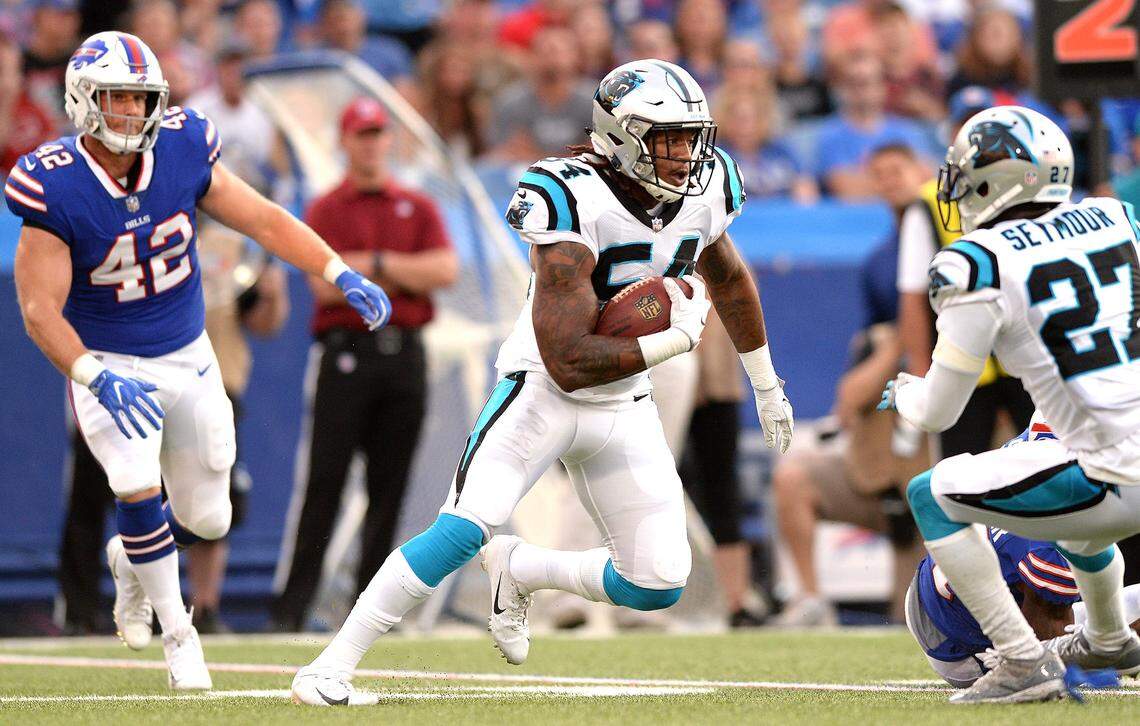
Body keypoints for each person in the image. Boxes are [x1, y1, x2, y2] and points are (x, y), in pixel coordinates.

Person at [290, 59, 795, 706]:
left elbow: (726, 276)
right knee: (463, 527)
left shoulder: (707, 186)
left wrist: (764, 381)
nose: (684, 154)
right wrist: (671, 340)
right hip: (543, 392)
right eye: (666, 137)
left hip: (625, 405)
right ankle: (329, 668)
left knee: (659, 581)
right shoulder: (569, 193)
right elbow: (567, 359)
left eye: (691, 136)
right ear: (620, 135)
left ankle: (522, 567)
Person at [7, 31, 390, 690]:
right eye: (117, 99)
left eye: (140, 98)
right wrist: (92, 374)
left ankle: (133, 561)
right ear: (83, 101)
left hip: (187, 351)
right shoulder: (55, 184)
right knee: (132, 479)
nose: (132, 113)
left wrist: (336, 268)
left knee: (210, 515)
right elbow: (40, 310)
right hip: (108, 358)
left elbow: (265, 221)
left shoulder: (184, 146)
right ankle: (178, 635)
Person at [879, 105, 1140, 703]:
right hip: (1115, 450)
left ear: (998, 179)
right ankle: (1108, 636)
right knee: (1075, 524)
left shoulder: (978, 262)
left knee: (931, 495)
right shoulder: (1116, 216)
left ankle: (1022, 660)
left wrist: (907, 395)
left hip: (1115, 473)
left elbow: (941, 411)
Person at [269, 97, 458, 632]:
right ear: (345, 142)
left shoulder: (417, 207)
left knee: (389, 486)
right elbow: (321, 287)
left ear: (389, 141)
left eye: (379, 134)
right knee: (324, 482)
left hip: (405, 355)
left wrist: (372, 266)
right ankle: (291, 609)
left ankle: (370, 612)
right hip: (347, 354)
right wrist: (401, 274)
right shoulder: (328, 209)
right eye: (362, 134)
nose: (372, 143)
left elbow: (444, 269)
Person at [771, 144, 929, 627]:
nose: (889, 181)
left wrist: (906, 348)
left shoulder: (960, 240)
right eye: (877, 174)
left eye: (897, 170)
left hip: (943, 444)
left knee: (924, 617)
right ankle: (811, 601)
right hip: (887, 441)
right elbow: (862, 368)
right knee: (793, 477)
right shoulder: (881, 259)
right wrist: (890, 351)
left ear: (922, 171)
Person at [905, 414, 1140, 688]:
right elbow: (1047, 629)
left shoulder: (1038, 457)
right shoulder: (1055, 509)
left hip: (939, 595)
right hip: (962, 643)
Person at [894, 86, 1035, 462]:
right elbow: (912, 295)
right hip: (965, 358)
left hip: (1028, 354)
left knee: (1054, 469)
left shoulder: (1031, 191)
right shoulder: (928, 203)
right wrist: (921, 373)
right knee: (957, 478)